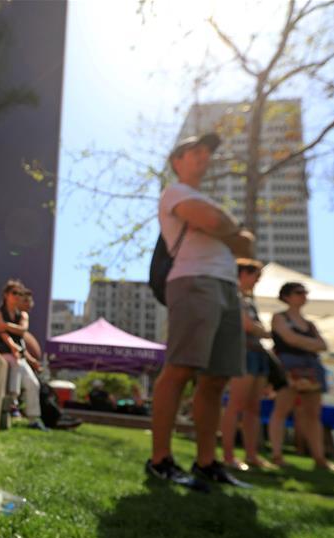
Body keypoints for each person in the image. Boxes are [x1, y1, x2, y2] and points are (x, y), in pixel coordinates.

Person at [146, 132, 256, 491]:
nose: (203, 157)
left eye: (207, 152)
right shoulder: (175, 192)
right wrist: (228, 227)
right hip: (193, 283)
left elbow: (243, 241)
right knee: (180, 369)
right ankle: (160, 460)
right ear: (177, 161)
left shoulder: (204, 199)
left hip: (226, 288)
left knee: (216, 379)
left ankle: (207, 463)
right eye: (195, 152)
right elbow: (216, 225)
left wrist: (223, 225)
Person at [267, 282, 334, 470]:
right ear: (286, 296)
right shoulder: (279, 317)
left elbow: (323, 345)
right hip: (288, 366)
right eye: (299, 292)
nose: (304, 295)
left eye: (305, 292)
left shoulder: (309, 324)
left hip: (311, 367)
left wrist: (301, 342)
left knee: (313, 414)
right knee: (282, 409)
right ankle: (277, 455)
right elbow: (290, 339)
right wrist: (309, 343)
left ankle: (319, 458)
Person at [220, 259, 275, 471]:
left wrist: (259, 330)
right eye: (255, 276)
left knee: (254, 407)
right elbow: (247, 325)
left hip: (257, 353)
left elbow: (255, 326)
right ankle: (228, 455)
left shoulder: (249, 300)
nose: (257, 281)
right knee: (236, 404)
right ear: (242, 273)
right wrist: (264, 331)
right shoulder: (233, 294)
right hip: (242, 352)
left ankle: (251, 455)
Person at [0, 280, 44, 429]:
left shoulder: (22, 315)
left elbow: (21, 331)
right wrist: (12, 344)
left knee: (33, 383)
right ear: (6, 294)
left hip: (18, 355)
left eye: (20, 293)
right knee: (14, 362)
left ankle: (34, 419)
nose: (18, 296)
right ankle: (13, 403)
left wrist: (4, 325)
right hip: (3, 352)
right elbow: (1, 332)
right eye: (14, 293)